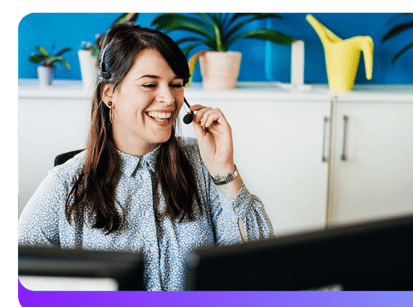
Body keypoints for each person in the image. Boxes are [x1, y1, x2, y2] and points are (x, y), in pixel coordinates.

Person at [17, 22, 274, 291]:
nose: (169, 98)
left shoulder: (202, 162)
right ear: (109, 94)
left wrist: (224, 172)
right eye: (150, 84)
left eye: (176, 84)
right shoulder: (67, 182)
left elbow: (258, 266)